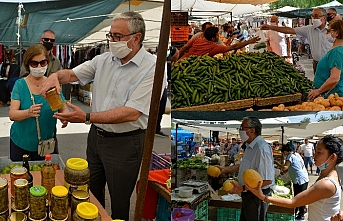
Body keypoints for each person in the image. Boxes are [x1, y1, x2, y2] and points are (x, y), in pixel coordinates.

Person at [39, 12, 164, 220]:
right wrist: (54, 76)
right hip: (96, 138)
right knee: (90, 192)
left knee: (120, 200)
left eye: (117, 36)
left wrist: (87, 118)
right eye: (110, 35)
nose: (112, 41)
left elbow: (132, 112)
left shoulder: (153, 68)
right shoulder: (104, 59)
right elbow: (71, 74)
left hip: (126, 142)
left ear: (137, 38)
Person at [246, 135, 343, 221]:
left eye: (319, 152)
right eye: (315, 151)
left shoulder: (326, 183)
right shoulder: (329, 175)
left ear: (332, 157)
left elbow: (293, 202)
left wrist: (263, 197)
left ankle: (300, 214)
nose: (314, 155)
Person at [9, 44, 68, 161]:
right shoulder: (20, 85)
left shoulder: (51, 85)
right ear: (28, 64)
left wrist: (65, 117)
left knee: (46, 177)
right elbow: (12, 114)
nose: (39, 66)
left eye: (43, 63)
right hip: (20, 144)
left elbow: (62, 108)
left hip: (46, 146)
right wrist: (28, 113)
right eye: (34, 63)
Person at [217, 117, 274, 221]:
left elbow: (267, 180)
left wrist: (243, 188)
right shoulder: (250, 146)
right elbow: (243, 166)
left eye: (242, 128)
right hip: (249, 194)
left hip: (257, 196)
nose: (240, 131)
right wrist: (225, 169)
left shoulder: (261, 149)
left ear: (252, 130)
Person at [261, 8, 332, 73]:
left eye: (316, 16)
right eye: (313, 16)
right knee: (318, 84)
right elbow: (289, 30)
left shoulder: (332, 29)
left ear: (324, 17)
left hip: (331, 63)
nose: (314, 18)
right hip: (316, 63)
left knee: (333, 84)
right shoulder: (309, 29)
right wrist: (270, 27)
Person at [308, 20, 343, 100]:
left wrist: (318, 91)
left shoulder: (337, 51)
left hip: (333, 96)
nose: (326, 33)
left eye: (328, 31)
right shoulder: (337, 50)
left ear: (336, 33)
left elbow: (334, 78)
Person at [178, 26, 260, 60]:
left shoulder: (197, 39)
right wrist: (249, 41)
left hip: (183, 61)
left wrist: (178, 59)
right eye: (217, 35)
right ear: (213, 38)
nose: (219, 36)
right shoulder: (214, 47)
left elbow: (184, 48)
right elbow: (234, 47)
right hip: (193, 68)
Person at [274, 144, 309, 221]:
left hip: (300, 180)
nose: (283, 154)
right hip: (301, 179)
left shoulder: (290, 156)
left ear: (286, 151)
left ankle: (301, 214)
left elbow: (285, 167)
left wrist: (277, 163)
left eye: (283, 152)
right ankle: (298, 211)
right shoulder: (295, 155)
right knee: (298, 196)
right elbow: (287, 168)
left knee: (299, 197)